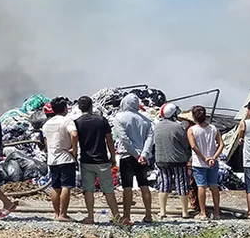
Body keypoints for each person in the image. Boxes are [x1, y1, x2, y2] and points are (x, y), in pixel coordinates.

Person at [73, 96, 120, 224]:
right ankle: (117, 217)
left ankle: (90, 217)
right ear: (91, 106)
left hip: (86, 161)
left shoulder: (77, 123)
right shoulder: (101, 120)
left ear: (79, 107)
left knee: (88, 190)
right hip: (102, 161)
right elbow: (109, 141)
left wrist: (74, 157)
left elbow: (74, 140)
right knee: (108, 190)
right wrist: (113, 157)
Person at [112, 93, 155, 225]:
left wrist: (135, 155)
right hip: (142, 157)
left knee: (127, 186)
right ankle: (148, 215)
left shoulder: (119, 118)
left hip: (127, 156)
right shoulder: (146, 120)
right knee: (144, 185)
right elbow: (150, 139)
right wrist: (143, 154)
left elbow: (124, 139)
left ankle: (126, 216)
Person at [153, 103, 191, 219]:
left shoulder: (157, 126)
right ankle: (185, 212)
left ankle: (162, 211)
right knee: (181, 184)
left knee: (164, 183)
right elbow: (185, 143)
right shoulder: (178, 127)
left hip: (161, 159)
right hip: (178, 160)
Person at [42, 99, 77, 222]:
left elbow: (46, 142)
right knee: (66, 186)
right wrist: (74, 150)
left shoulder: (46, 124)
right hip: (66, 158)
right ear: (65, 108)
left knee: (55, 187)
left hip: (52, 159)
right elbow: (74, 134)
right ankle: (63, 214)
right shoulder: (67, 120)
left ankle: (56, 214)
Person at [187, 105, 224, 220]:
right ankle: (216, 212)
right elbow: (221, 144)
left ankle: (203, 212)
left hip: (199, 163)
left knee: (201, 186)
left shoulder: (192, 130)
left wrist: (204, 158)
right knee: (214, 186)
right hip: (213, 162)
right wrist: (213, 157)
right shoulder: (213, 128)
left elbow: (193, 146)